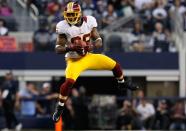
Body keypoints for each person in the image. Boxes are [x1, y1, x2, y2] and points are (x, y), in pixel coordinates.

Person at [52, 1, 139, 123]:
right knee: (69, 82)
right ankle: (60, 107)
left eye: (73, 14)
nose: (71, 17)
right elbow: (57, 49)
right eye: (69, 15)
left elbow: (98, 40)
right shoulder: (63, 26)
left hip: (87, 55)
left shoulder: (89, 21)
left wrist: (90, 46)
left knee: (114, 65)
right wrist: (71, 48)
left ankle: (122, 83)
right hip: (74, 59)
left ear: (80, 13)